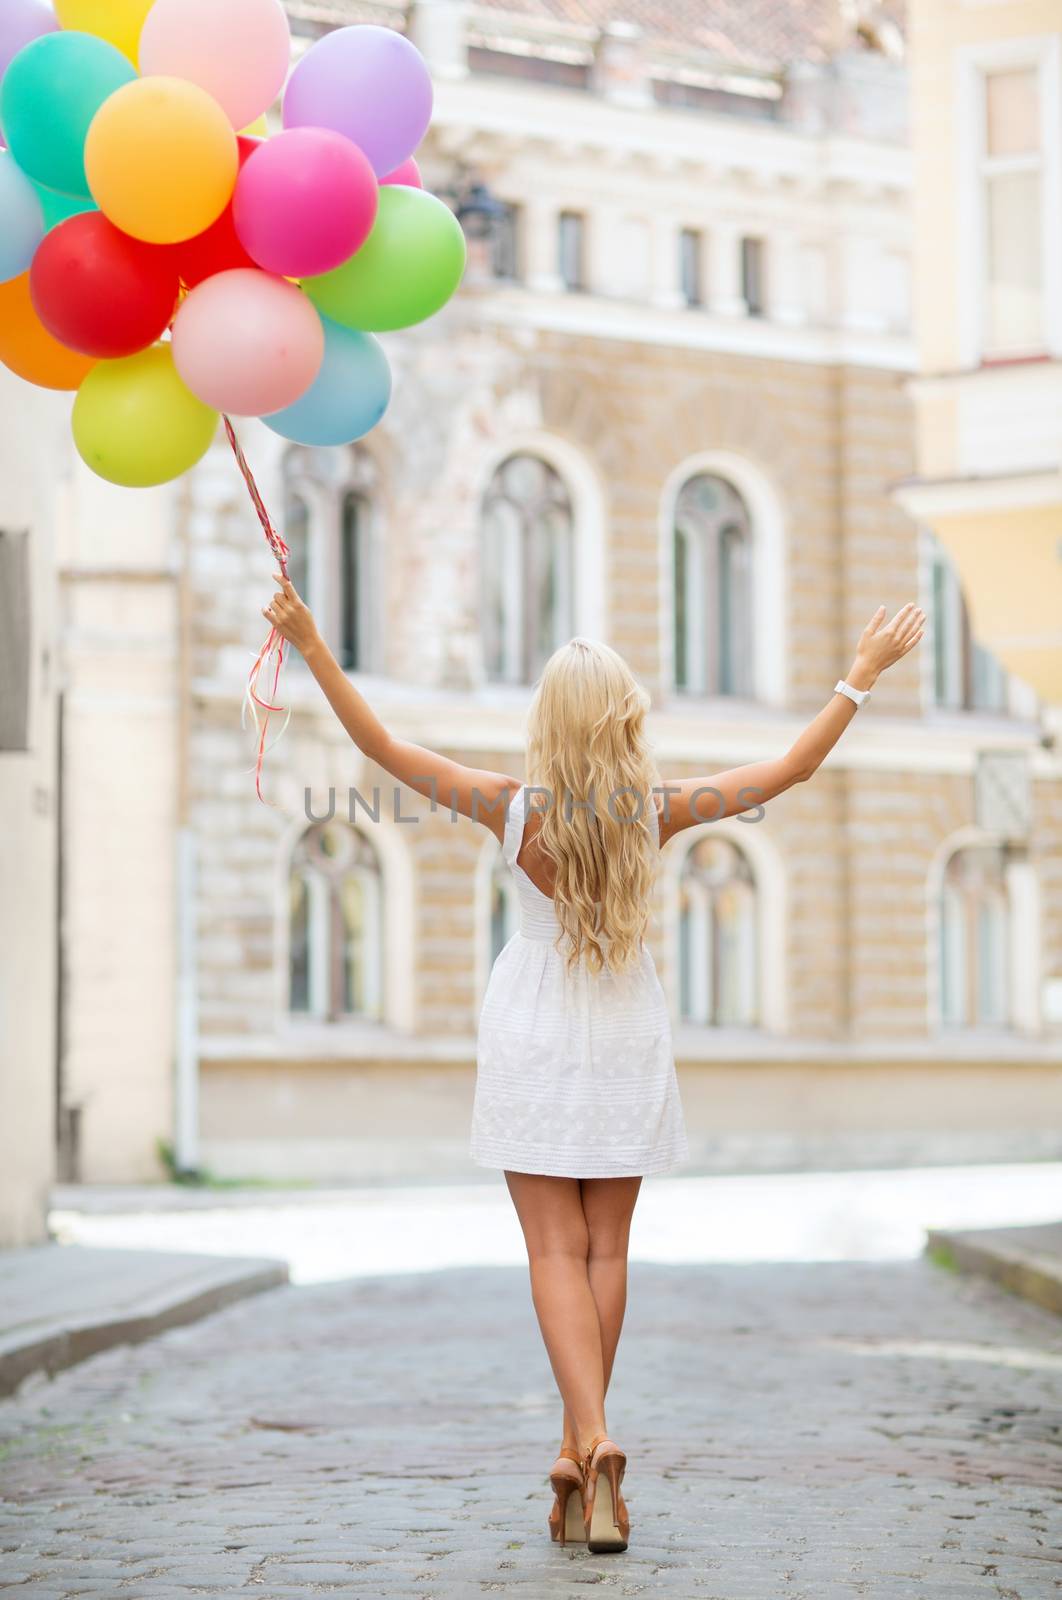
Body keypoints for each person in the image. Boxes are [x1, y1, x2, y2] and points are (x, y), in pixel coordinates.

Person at [262, 575, 925, 1553]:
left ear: (547, 724)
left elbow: (379, 747)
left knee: (550, 1251)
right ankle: (582, 1452)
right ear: (623, 721)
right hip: (623, 1029)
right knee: (606, 1250)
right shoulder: (654, 812)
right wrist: (859, 678)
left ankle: (595, 1438)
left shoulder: (507, 806)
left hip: (534, 1027)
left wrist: (314, 644)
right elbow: (787, 768)